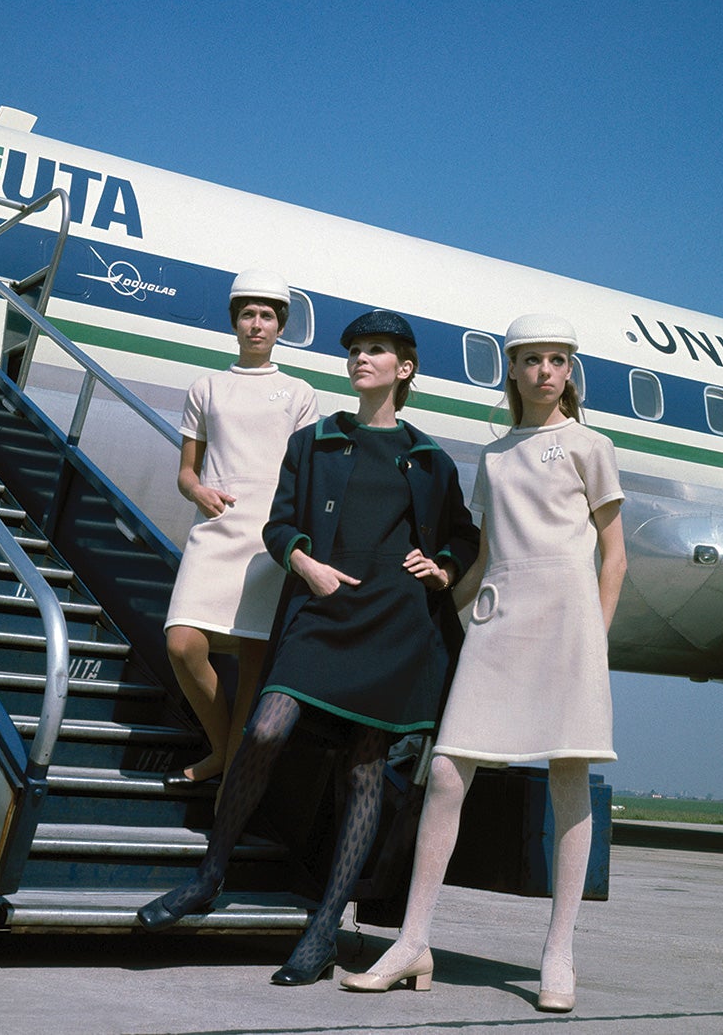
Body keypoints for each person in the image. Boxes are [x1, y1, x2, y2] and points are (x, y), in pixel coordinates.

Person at [139, 310, 479, 987]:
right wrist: (304, 562)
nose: (360, 359)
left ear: (403, 369)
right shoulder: (314, 442)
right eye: (354, 350)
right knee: (265, 729)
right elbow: (279, 523)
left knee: (362, 770)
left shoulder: (430, 458)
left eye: (375, 351)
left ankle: (325, 927)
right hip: (322, 612)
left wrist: (441, 566)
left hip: (392, 623)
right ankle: (210, 875)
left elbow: (464, 535)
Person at [340, 313, 627, 1014]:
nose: (544, 372)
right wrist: (441, 583)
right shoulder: (494, 455)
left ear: (569, 370)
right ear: (514, 370)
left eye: (557, 359)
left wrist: (598, 635)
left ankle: (558, 950)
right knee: (445, 771)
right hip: (499, 616)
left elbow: (614, 554)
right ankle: (413, 940)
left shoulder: (591, 446)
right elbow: (488, 554)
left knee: (568, 775)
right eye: (531, 360)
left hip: (567, 618)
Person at [162, 269, 318, 788]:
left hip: (268, 534)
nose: (257, 325)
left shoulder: (298, 393)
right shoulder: (205, 387)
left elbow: (304, 474)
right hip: (217, 526)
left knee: (254, 665)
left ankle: (228, 777)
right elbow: (187, 472)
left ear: (280, 327)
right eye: (248, 315)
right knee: (183, 643)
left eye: (267, 316)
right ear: (234, 323)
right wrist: (199, 490)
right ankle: (226, 752)